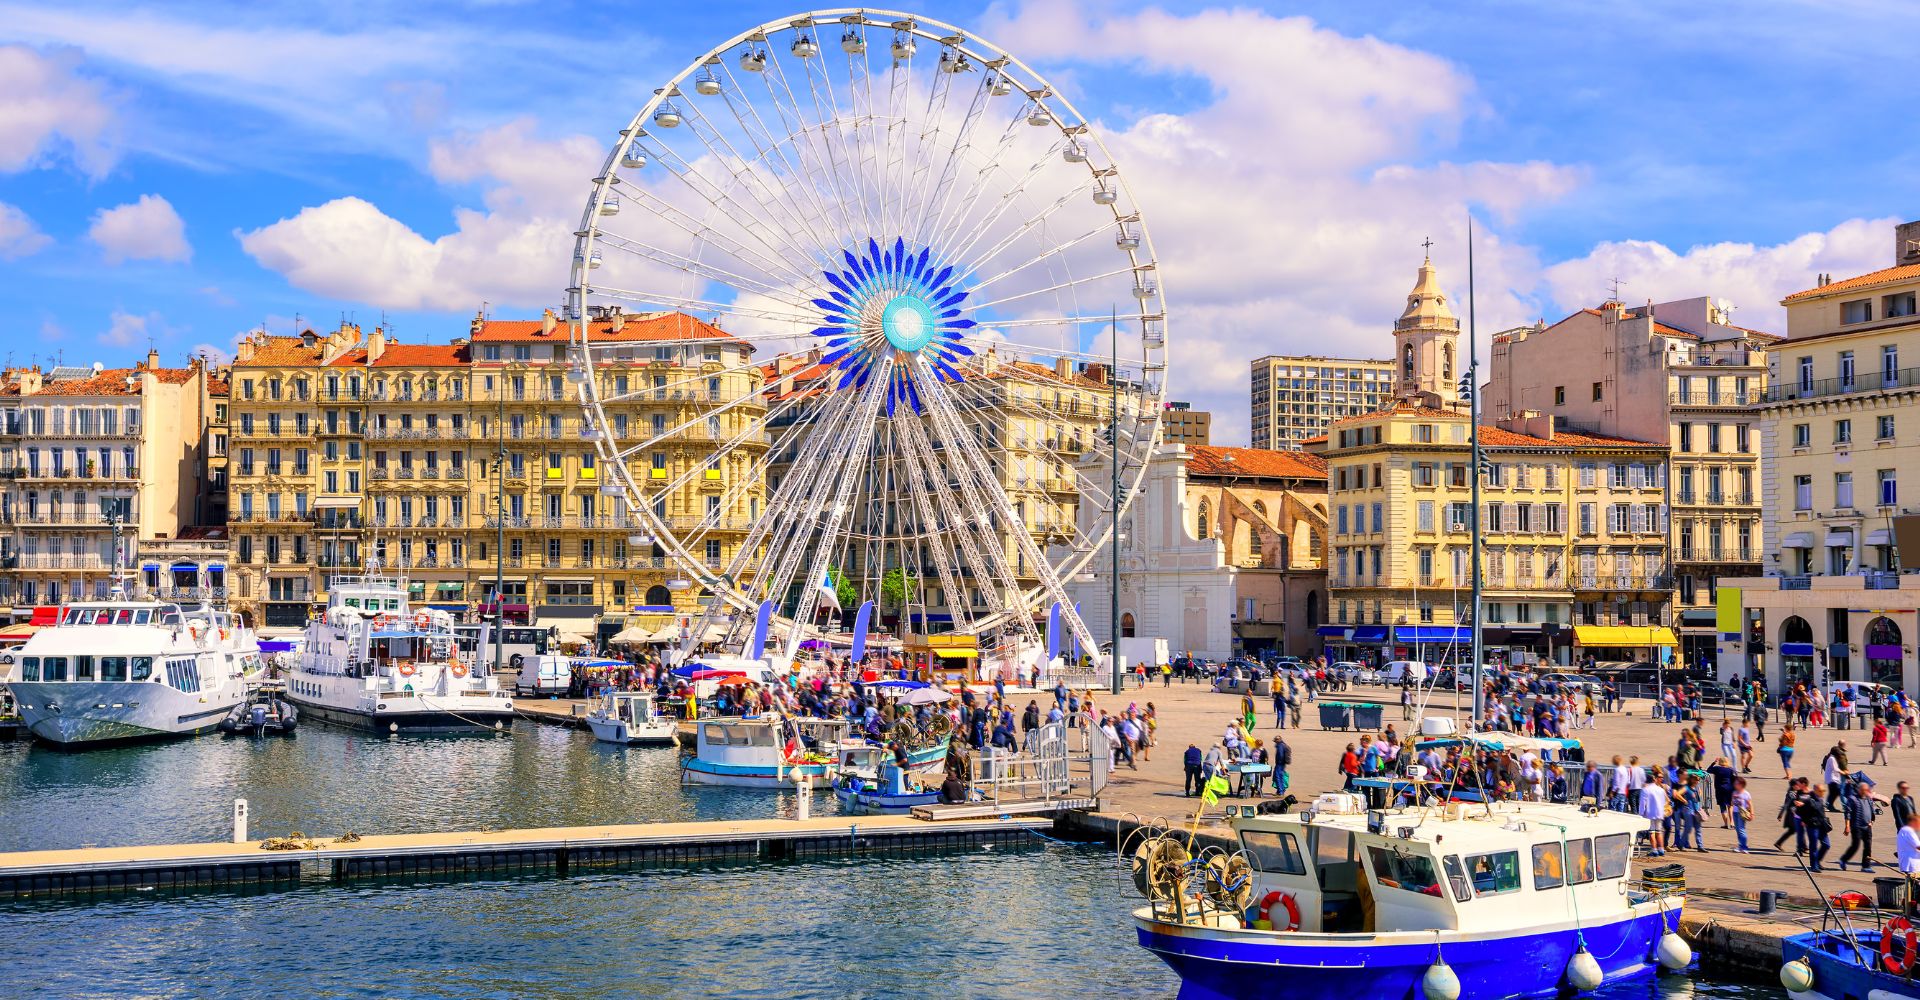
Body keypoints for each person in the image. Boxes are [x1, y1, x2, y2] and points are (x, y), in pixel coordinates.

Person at [1839, 779, 1879, 872]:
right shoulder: (1852, 799)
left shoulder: (1868, 798)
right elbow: (1847, 813)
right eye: (1865, 790)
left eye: (1867, 789)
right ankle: (1843, 860)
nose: (1866, 791)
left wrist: (1872, 821)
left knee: (1868, 846)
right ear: (1859, 789)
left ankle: (1866, 866)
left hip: (1867, 827)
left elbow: (1872, 810)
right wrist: (1847, 826)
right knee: (1855, 846)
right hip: (1857, 827)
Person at [1800, 783, 1834, 871]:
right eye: (1821, 791)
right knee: (1813, 846)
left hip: (1822, 826)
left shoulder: (1821, 799)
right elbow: (1801, 812)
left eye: (1824, 791)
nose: (1823, 792)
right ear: (1815, 791)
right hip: (1812, 826)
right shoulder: (1809, 800)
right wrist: (1806, 821)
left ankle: (1817, 860)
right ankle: (1814, 866)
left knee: (1826, 845)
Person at [1639, 772, 1670, 856]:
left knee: (1652, 832)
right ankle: (1661, 849)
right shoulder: (1660, 789)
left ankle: (1654, 850)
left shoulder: (1645, 790)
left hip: (1649, 813)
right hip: (1660, 812)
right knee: (1659, 831)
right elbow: (1665, 801)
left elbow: (1642, 803)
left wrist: (1641, 814)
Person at [1730, 777, 1754, 853]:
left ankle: (1745, 847)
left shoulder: (1746, 794)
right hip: (1735, 813)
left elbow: (1750, 804)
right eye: (1735, 783)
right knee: (1738, 830)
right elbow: (1732, 803)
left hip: (1742, 814)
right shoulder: (1734, 792)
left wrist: (1752, 814)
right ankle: (1740, 846)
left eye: (1736, 783)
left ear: (1741, 784)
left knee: (1741, 830)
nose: (1735, 784)